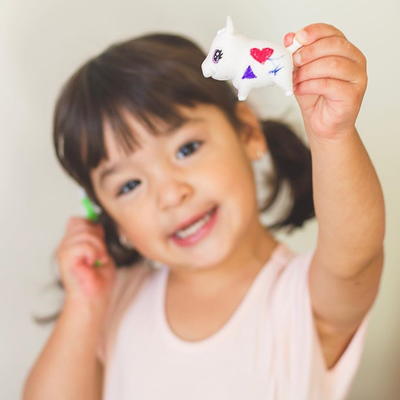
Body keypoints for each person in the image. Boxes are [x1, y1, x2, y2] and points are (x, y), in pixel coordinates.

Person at [22, 23, 385, 400]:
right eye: (129, 185)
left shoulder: (302, 302)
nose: (171, 194)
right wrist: (83, 306)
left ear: (247, 133)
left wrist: (332, 137)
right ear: (110, 218)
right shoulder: (116, 304)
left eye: (186, 149)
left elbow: (355, 254)